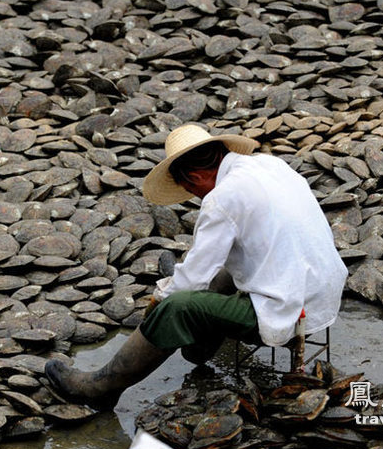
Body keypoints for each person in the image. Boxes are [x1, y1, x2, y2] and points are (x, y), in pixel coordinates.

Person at [44, 123, 348, 407]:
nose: (195, 195)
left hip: (289, 310)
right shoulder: (270, 165)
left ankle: (101, 387)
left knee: (178, 307)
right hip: (322, 291)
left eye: (190, 189)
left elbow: (193, 281)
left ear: (196, 176)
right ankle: (199, 346)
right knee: (220, 272)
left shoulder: (222, 197)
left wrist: (161, 300)